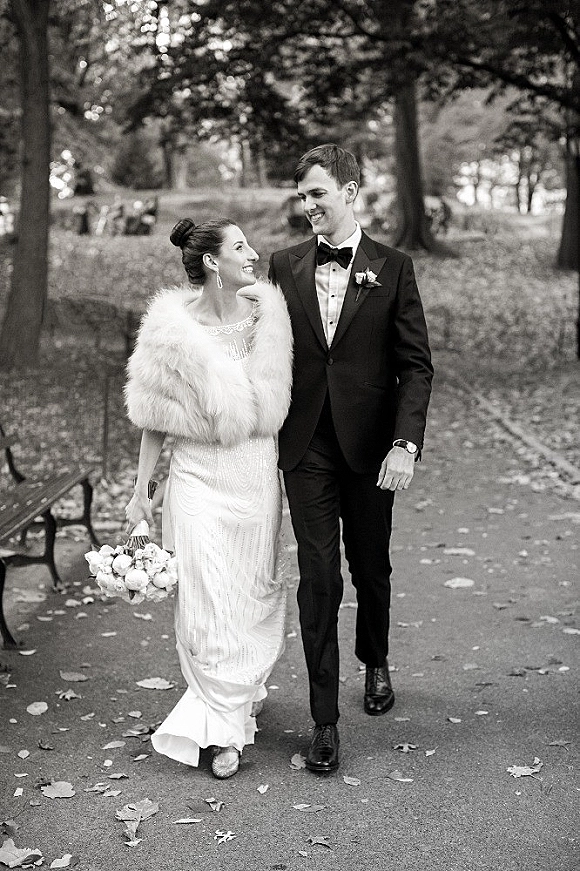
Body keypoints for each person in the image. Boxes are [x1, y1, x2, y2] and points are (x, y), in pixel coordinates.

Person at [269, 144, 433, 774]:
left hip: (371, 448)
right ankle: (324, 720)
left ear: (349, 191)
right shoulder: (283, 266)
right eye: (302, 196)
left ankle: (376, 658)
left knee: (370, 566)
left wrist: (405, 444)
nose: (308, 205)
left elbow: (415, 366)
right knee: (319, 577)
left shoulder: (394, 267)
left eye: (317, 193)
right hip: (306, 443)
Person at [124, 217, 293, 779]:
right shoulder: (169, 332)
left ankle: (239, 690)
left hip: (255, 473)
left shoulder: (269, 318)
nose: (254, 254)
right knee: (204, 599)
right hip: (196, 476)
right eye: (242, 246)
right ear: (214, 261)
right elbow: (153, 416)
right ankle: (222, 728)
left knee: (250, 592)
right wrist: (141, 491)